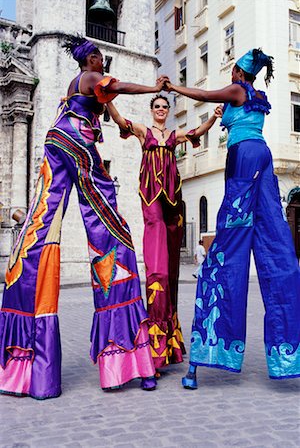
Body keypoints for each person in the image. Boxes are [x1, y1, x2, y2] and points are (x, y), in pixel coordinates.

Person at [0, 35, 168, 399]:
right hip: (78, 145)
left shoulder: (76, 88)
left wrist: (122, 122)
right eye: (100, 59)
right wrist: (152, 86)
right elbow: (115, 87)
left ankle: (23, 360)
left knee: (39, 223)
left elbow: (108, 104)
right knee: (115, 235)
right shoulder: (91, 78)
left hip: (56, 141)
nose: (103, 64)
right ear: (89, 59)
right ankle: (126, 356)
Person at [163, 48, 300, 388]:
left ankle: (206, 353)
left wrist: (175, 89)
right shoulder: (255, 98)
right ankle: (288, 355)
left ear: (240, 73)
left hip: (245, 160)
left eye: (233, 70)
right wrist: (213, 119)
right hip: (260, 161)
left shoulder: (238, 90)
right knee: (278, 252)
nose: (230, 75)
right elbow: (215, 120)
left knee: (225, 254)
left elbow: (205, 94)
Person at [106, 96, 222, 375]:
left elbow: (196, 132)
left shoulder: (173, 135)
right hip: (152, 198)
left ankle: (169, 345)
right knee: (157, 271)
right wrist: (108, 100)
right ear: (152, 110)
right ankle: (154, 351)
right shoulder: (144, 132)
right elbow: (122, 121)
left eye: (164, 107)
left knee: (169, 273)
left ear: (168, 112)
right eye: (157, 107)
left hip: (173, 200)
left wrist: (215, 117)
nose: (160, 110)